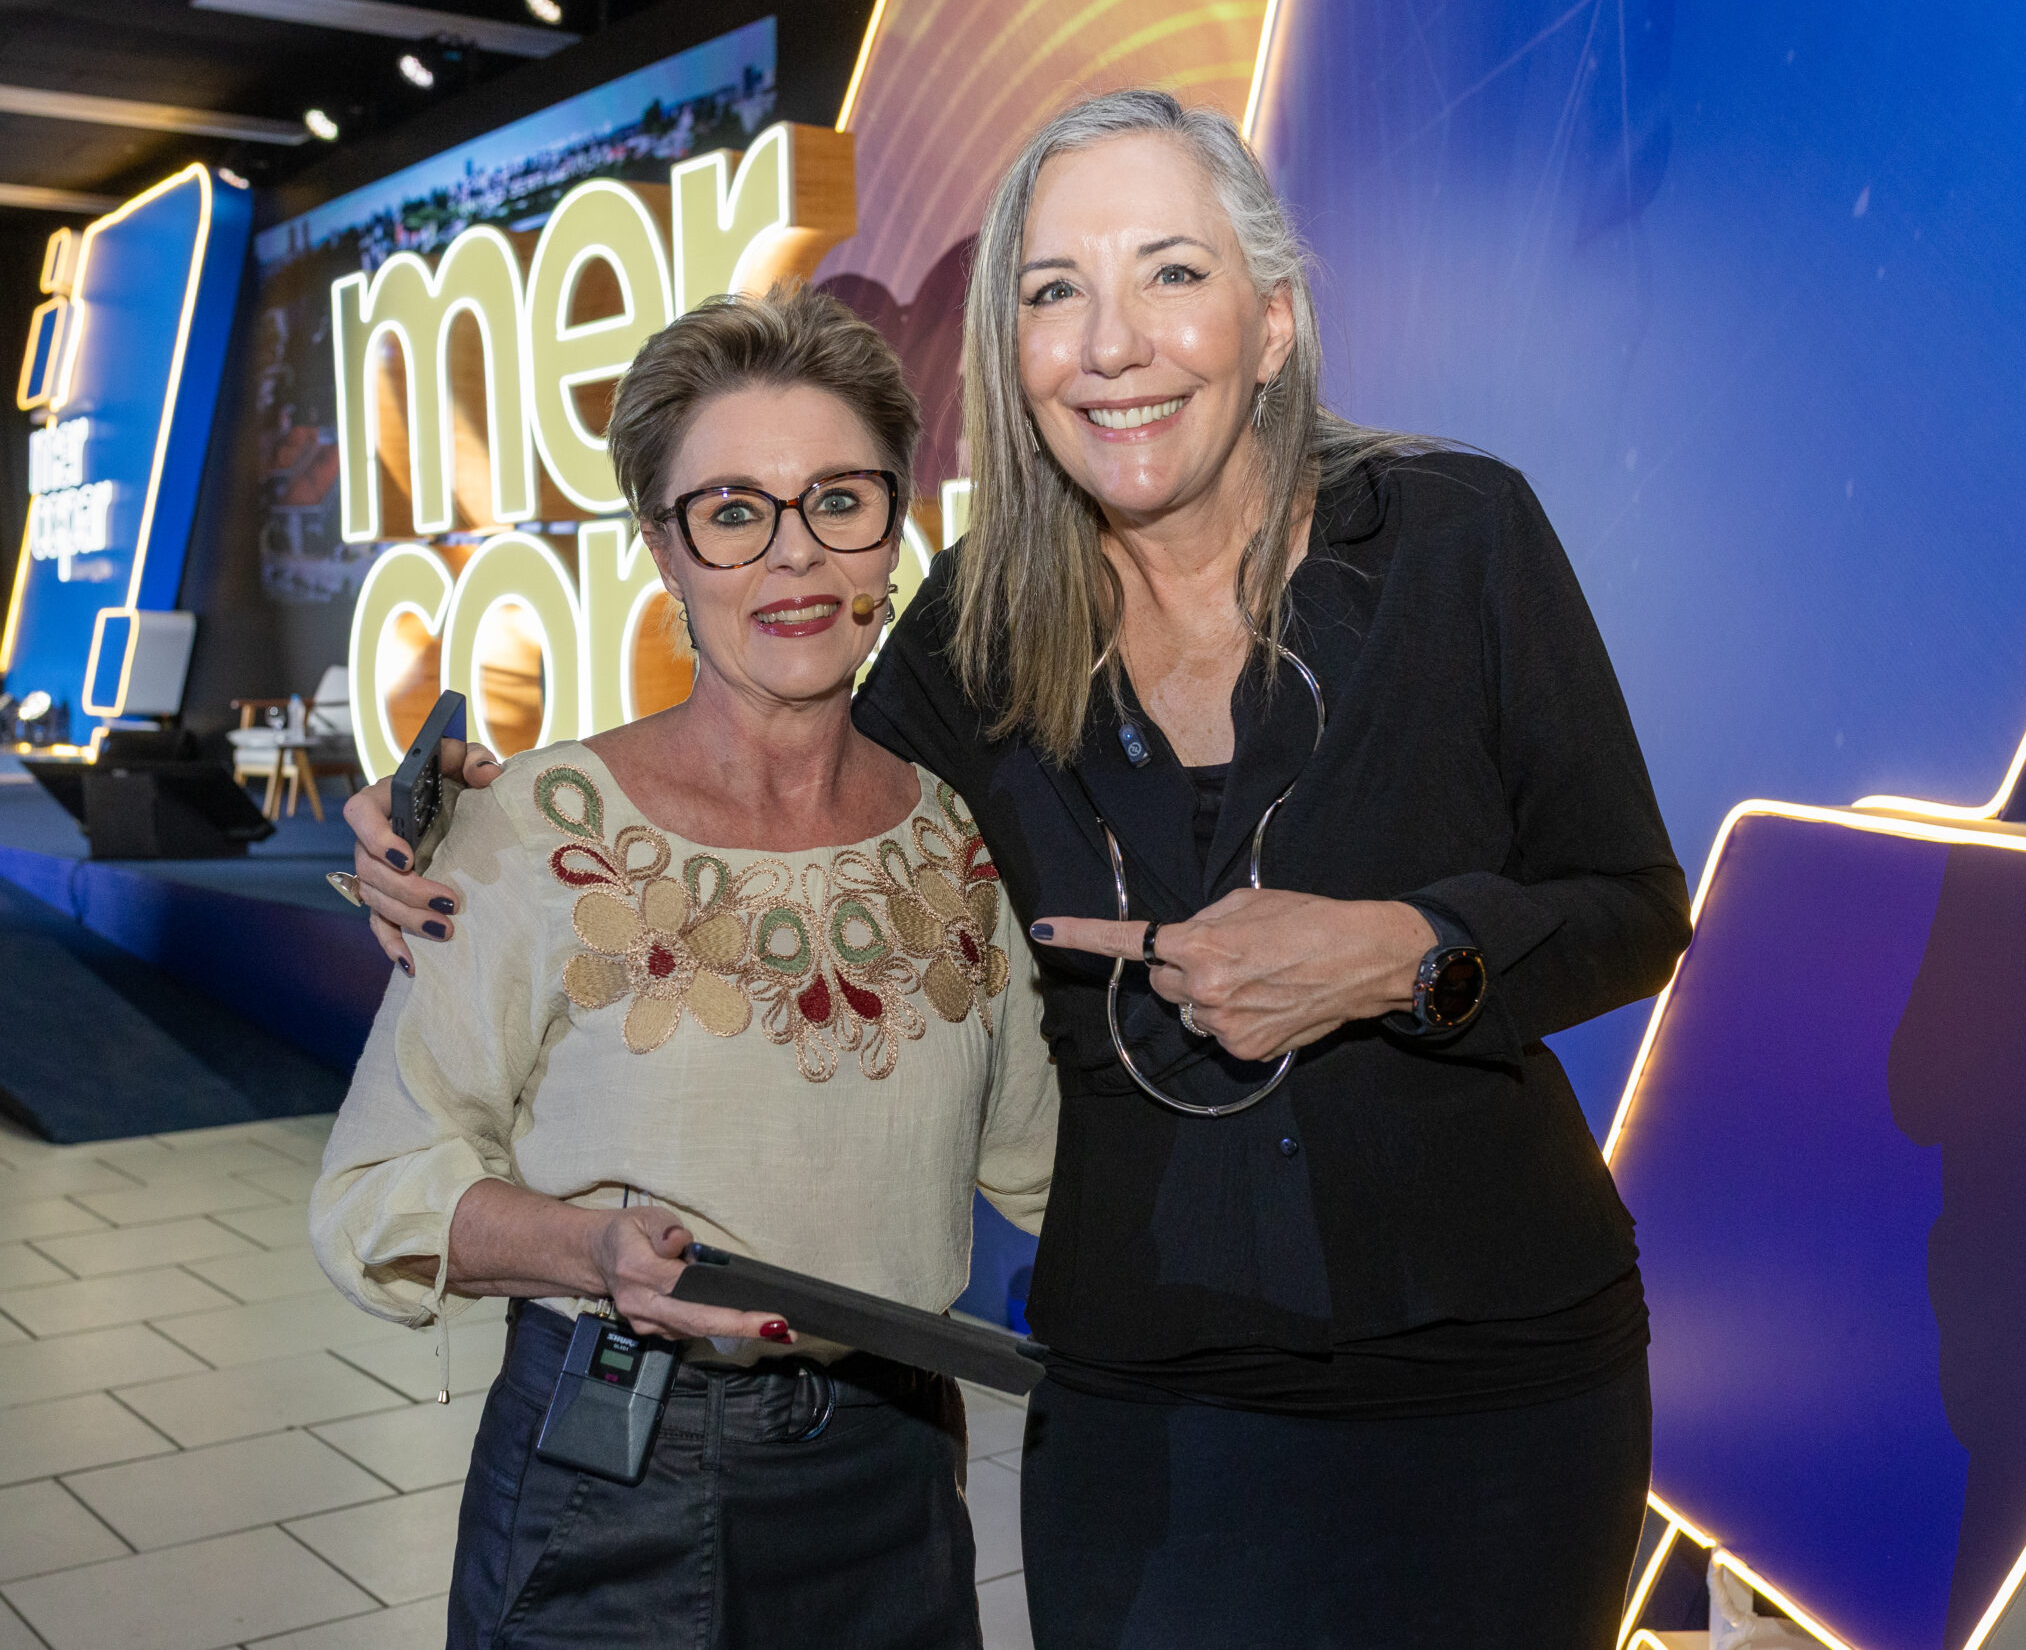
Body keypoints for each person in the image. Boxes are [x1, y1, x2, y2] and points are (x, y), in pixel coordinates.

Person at [351, 91, 1690, 1650]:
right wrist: (458, 814)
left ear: (1272, 320)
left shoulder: (1460, 540)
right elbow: (783, 776)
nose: (1113, 342)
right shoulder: (973, 634)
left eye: (1171, 271)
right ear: (1013, 350)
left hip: (1504, 1387)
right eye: (1057, 290)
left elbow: (1630, 907)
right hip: (1150, 1409)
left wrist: (1409, 952)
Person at [310, 285, 1056, 1650]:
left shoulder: (955, 840)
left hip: (893, 1471)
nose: (795, 554)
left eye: (840, 500)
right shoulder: (532, 830)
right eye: (732, 511)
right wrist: (588, 1250)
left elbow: (1047, 1161)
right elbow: (373, 1192)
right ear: (664, 547)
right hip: (617, 1481)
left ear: (894, 525)